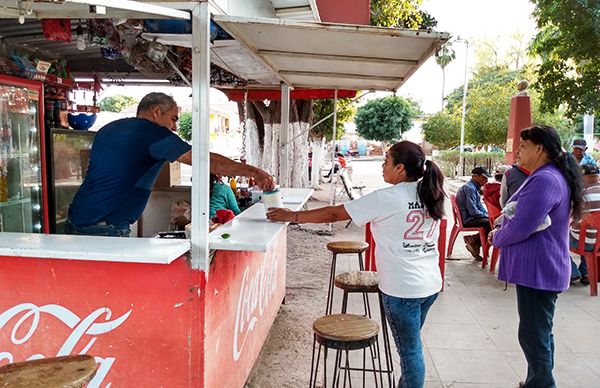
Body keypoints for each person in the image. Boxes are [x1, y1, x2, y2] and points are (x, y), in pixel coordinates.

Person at [267, 141, 445, 388]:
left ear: (401, 168)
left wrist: (292, 216)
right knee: (411, 345)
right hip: (429, 285)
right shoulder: (432, 193)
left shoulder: (387, 198)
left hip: (403, 288)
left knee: (410, 351)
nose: (383, 167)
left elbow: (333, 214)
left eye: (386, 162)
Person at [65, 92, 274, 237]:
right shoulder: (152, 133)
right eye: (173, 119)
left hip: (77, 218)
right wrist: (253, 172)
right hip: (104, 227)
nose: (174, 127)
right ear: (156, 111)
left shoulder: (109, 129)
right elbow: (203, 160)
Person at [489, 125, 584, 388]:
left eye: (523, 146)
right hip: (541, 269)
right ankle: (537, 381)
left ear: (540, 149)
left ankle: (542, 383)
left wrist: (497, 237)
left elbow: (523, 225)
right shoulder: (547, 175)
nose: (518, 151)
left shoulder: (546, 179)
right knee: (539, 331)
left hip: (539, 271)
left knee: (533, 334)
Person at [569, 163, 600, 285]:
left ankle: (573, 272)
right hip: (599, 243)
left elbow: (572, 220)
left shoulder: (581, 195)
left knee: (556, 238)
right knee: (589, 233)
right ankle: (586, 272)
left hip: (584, 242)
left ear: (583, 178)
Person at [456, 166, 492, 260]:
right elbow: (473, 211)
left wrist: (487, 215)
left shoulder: (473, 188)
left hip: (472, 217)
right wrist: (487, 216)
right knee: (490, 224)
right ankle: (475, 241)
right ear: (475, 176)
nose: (486, 180)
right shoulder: (470, 189)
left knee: (492, 221)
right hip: (469, 219)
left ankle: (473, 240)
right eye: (484, 177)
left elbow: (479, 207)